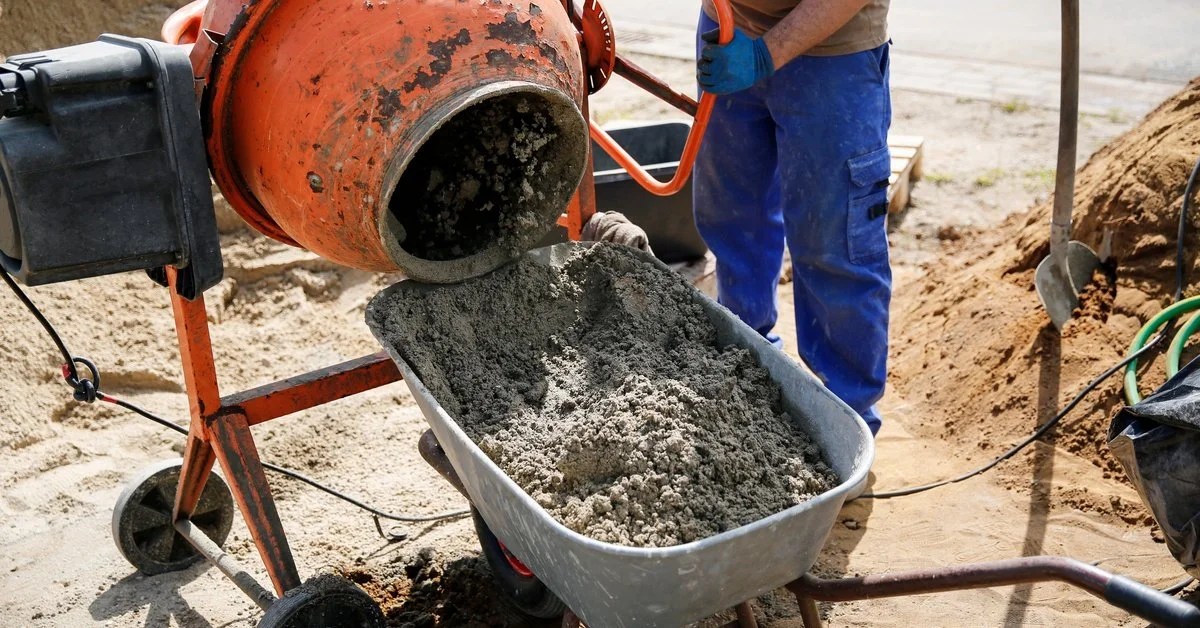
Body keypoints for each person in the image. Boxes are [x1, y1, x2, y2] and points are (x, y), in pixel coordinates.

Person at [694, 0, 891, 436]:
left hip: (832, 52)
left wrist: (767, 54)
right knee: (734, 223)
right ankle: (747, 373)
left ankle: (846, 428)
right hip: (729, 29)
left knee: (833, 245)